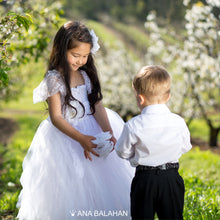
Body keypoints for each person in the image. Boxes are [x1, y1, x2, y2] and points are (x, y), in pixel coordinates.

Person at [16, 21, 134, 220]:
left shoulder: (86, 75)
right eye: (75, 55)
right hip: (67, 135)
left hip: (93, 129)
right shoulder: (54, 78)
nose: (80, 60)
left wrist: (109, 132)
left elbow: (96, 105)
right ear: (62, 50)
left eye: (85, 56)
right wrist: (80, 138)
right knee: (74, 184)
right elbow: (56, 117)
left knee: (101, 180)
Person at [115, 65, 192, 220]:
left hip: (145, 179)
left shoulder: (133, 125)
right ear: (168, 96)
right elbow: (185, 146)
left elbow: (122, 151)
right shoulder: (178, 121)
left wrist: (135, 156)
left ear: (140, 98)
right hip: (171, 178)